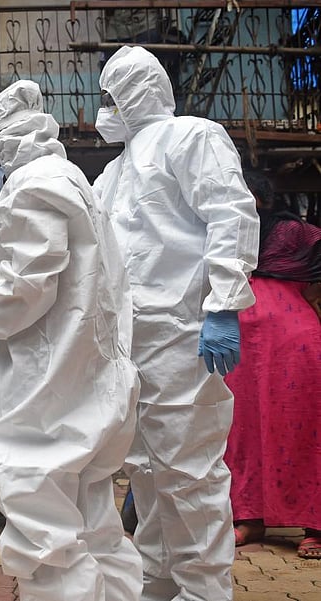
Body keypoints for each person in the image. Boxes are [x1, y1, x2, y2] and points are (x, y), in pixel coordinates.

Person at [0, 79, 143, 601]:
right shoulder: (72, 178)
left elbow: (29, 285)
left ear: (1, 152)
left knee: (39, 517)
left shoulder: (28, 187)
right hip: (94, 381)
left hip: (50, 389)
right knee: (94, 522)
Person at [93, 45, 260, 601]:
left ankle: (205, 589)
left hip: (184, 335)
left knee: (190, 472)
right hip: (131, 344)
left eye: (110, 98)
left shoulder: (193, 136)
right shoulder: (114, 173)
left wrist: (224, 304)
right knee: (145, 467)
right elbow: (83, 237)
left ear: (131, 95)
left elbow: (229, 214)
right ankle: (160, 576)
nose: (104, 110)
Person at [223, 170, 321, 559]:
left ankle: (314, 526)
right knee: (241, 429)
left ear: (261, 197)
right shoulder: (219, 230)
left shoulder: (294, 232)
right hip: (237, 342)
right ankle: (248, 518)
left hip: (293, 342)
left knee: (304, 427)